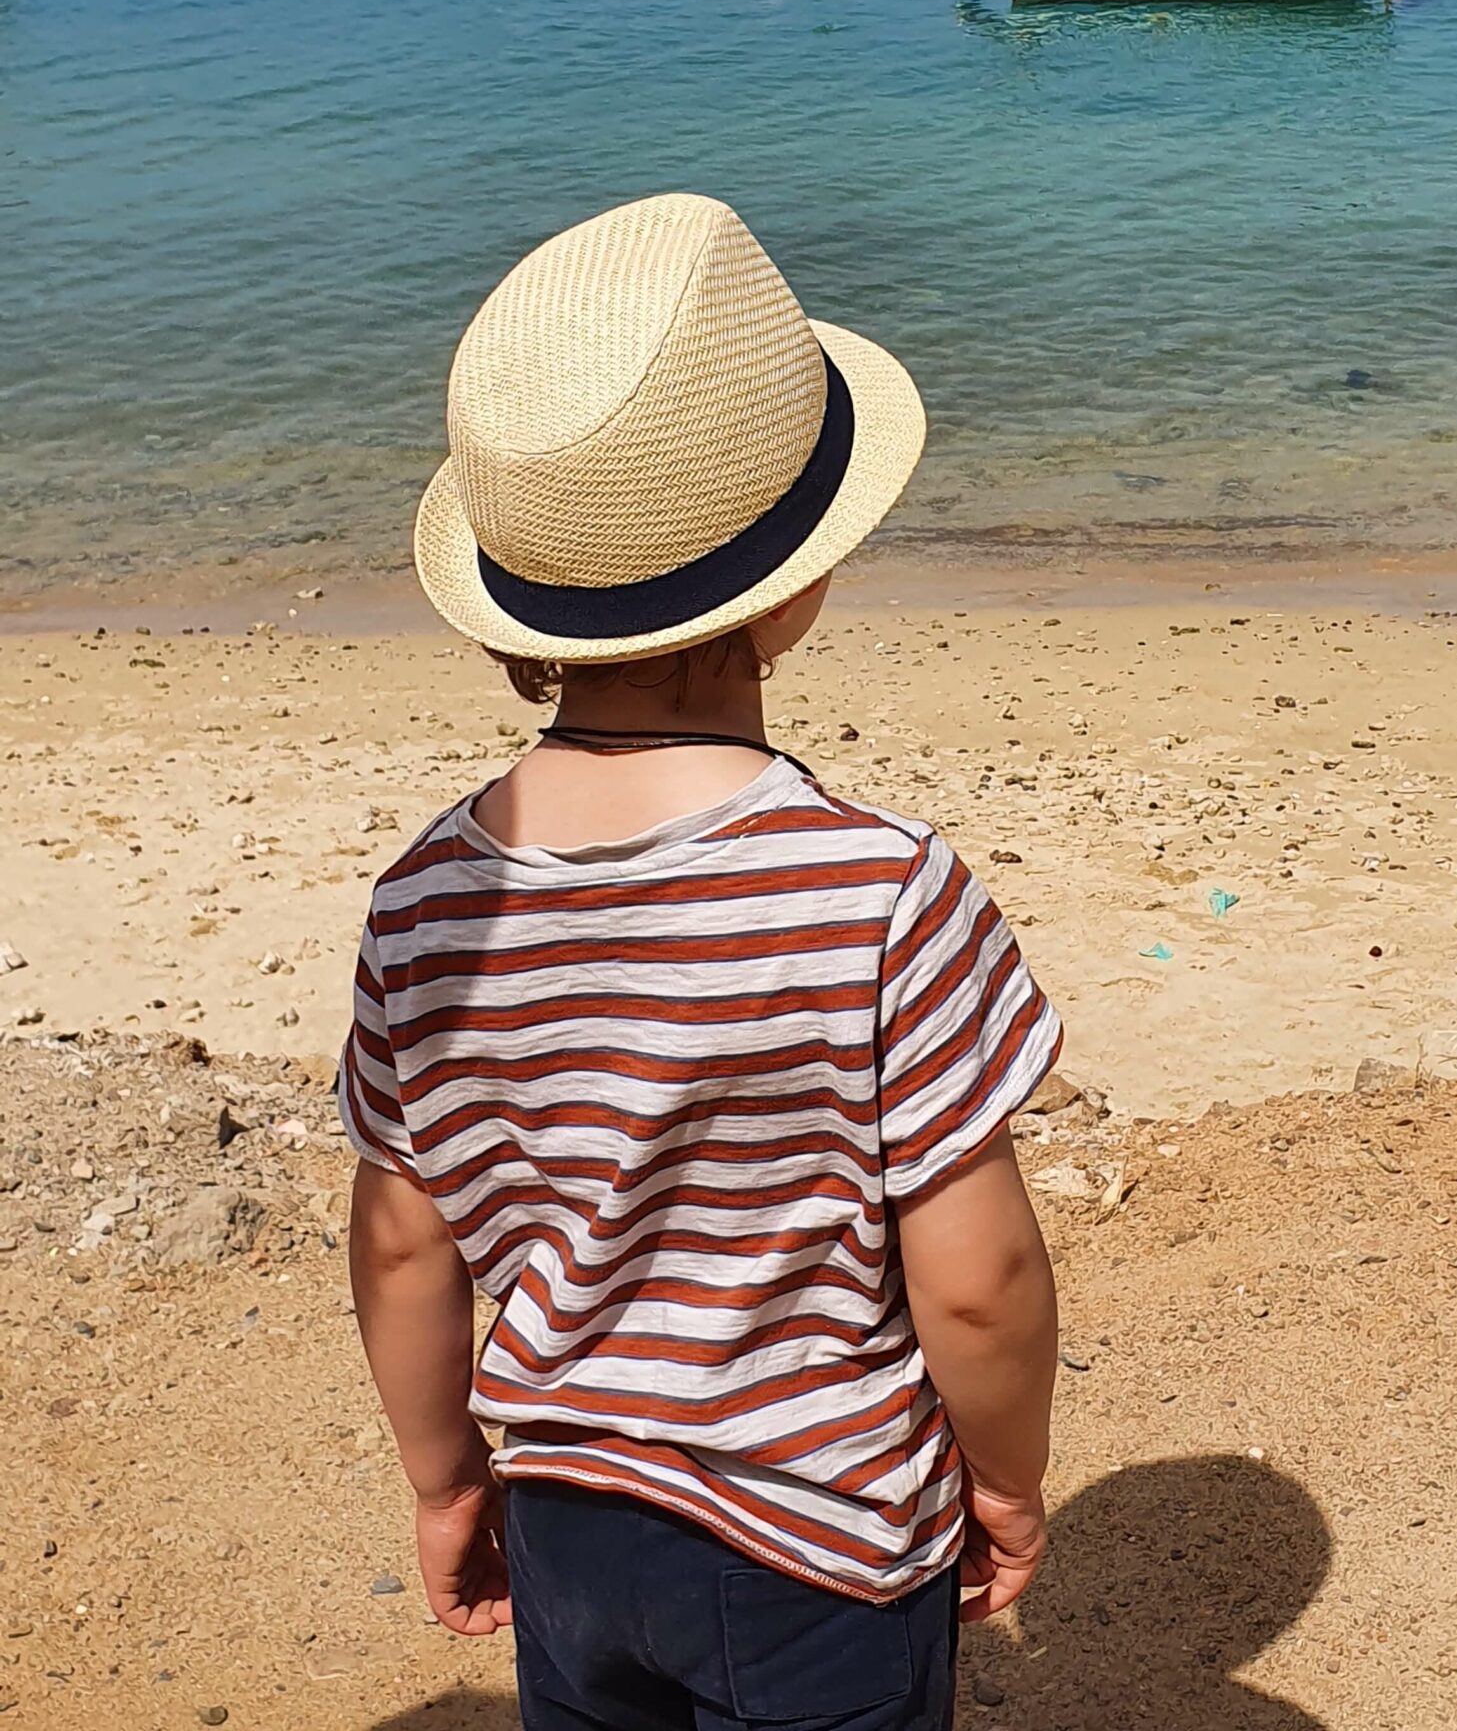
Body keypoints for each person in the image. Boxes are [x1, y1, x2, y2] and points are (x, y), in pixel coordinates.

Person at [341, 193, 1063, 1731]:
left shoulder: (419, 907)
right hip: (819, 1550)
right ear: (795, 581)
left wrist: (444, 1478)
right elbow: (982, 1281)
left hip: (567, 1524)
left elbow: (404, 1246)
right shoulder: (881, 893)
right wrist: (1005, 1477)